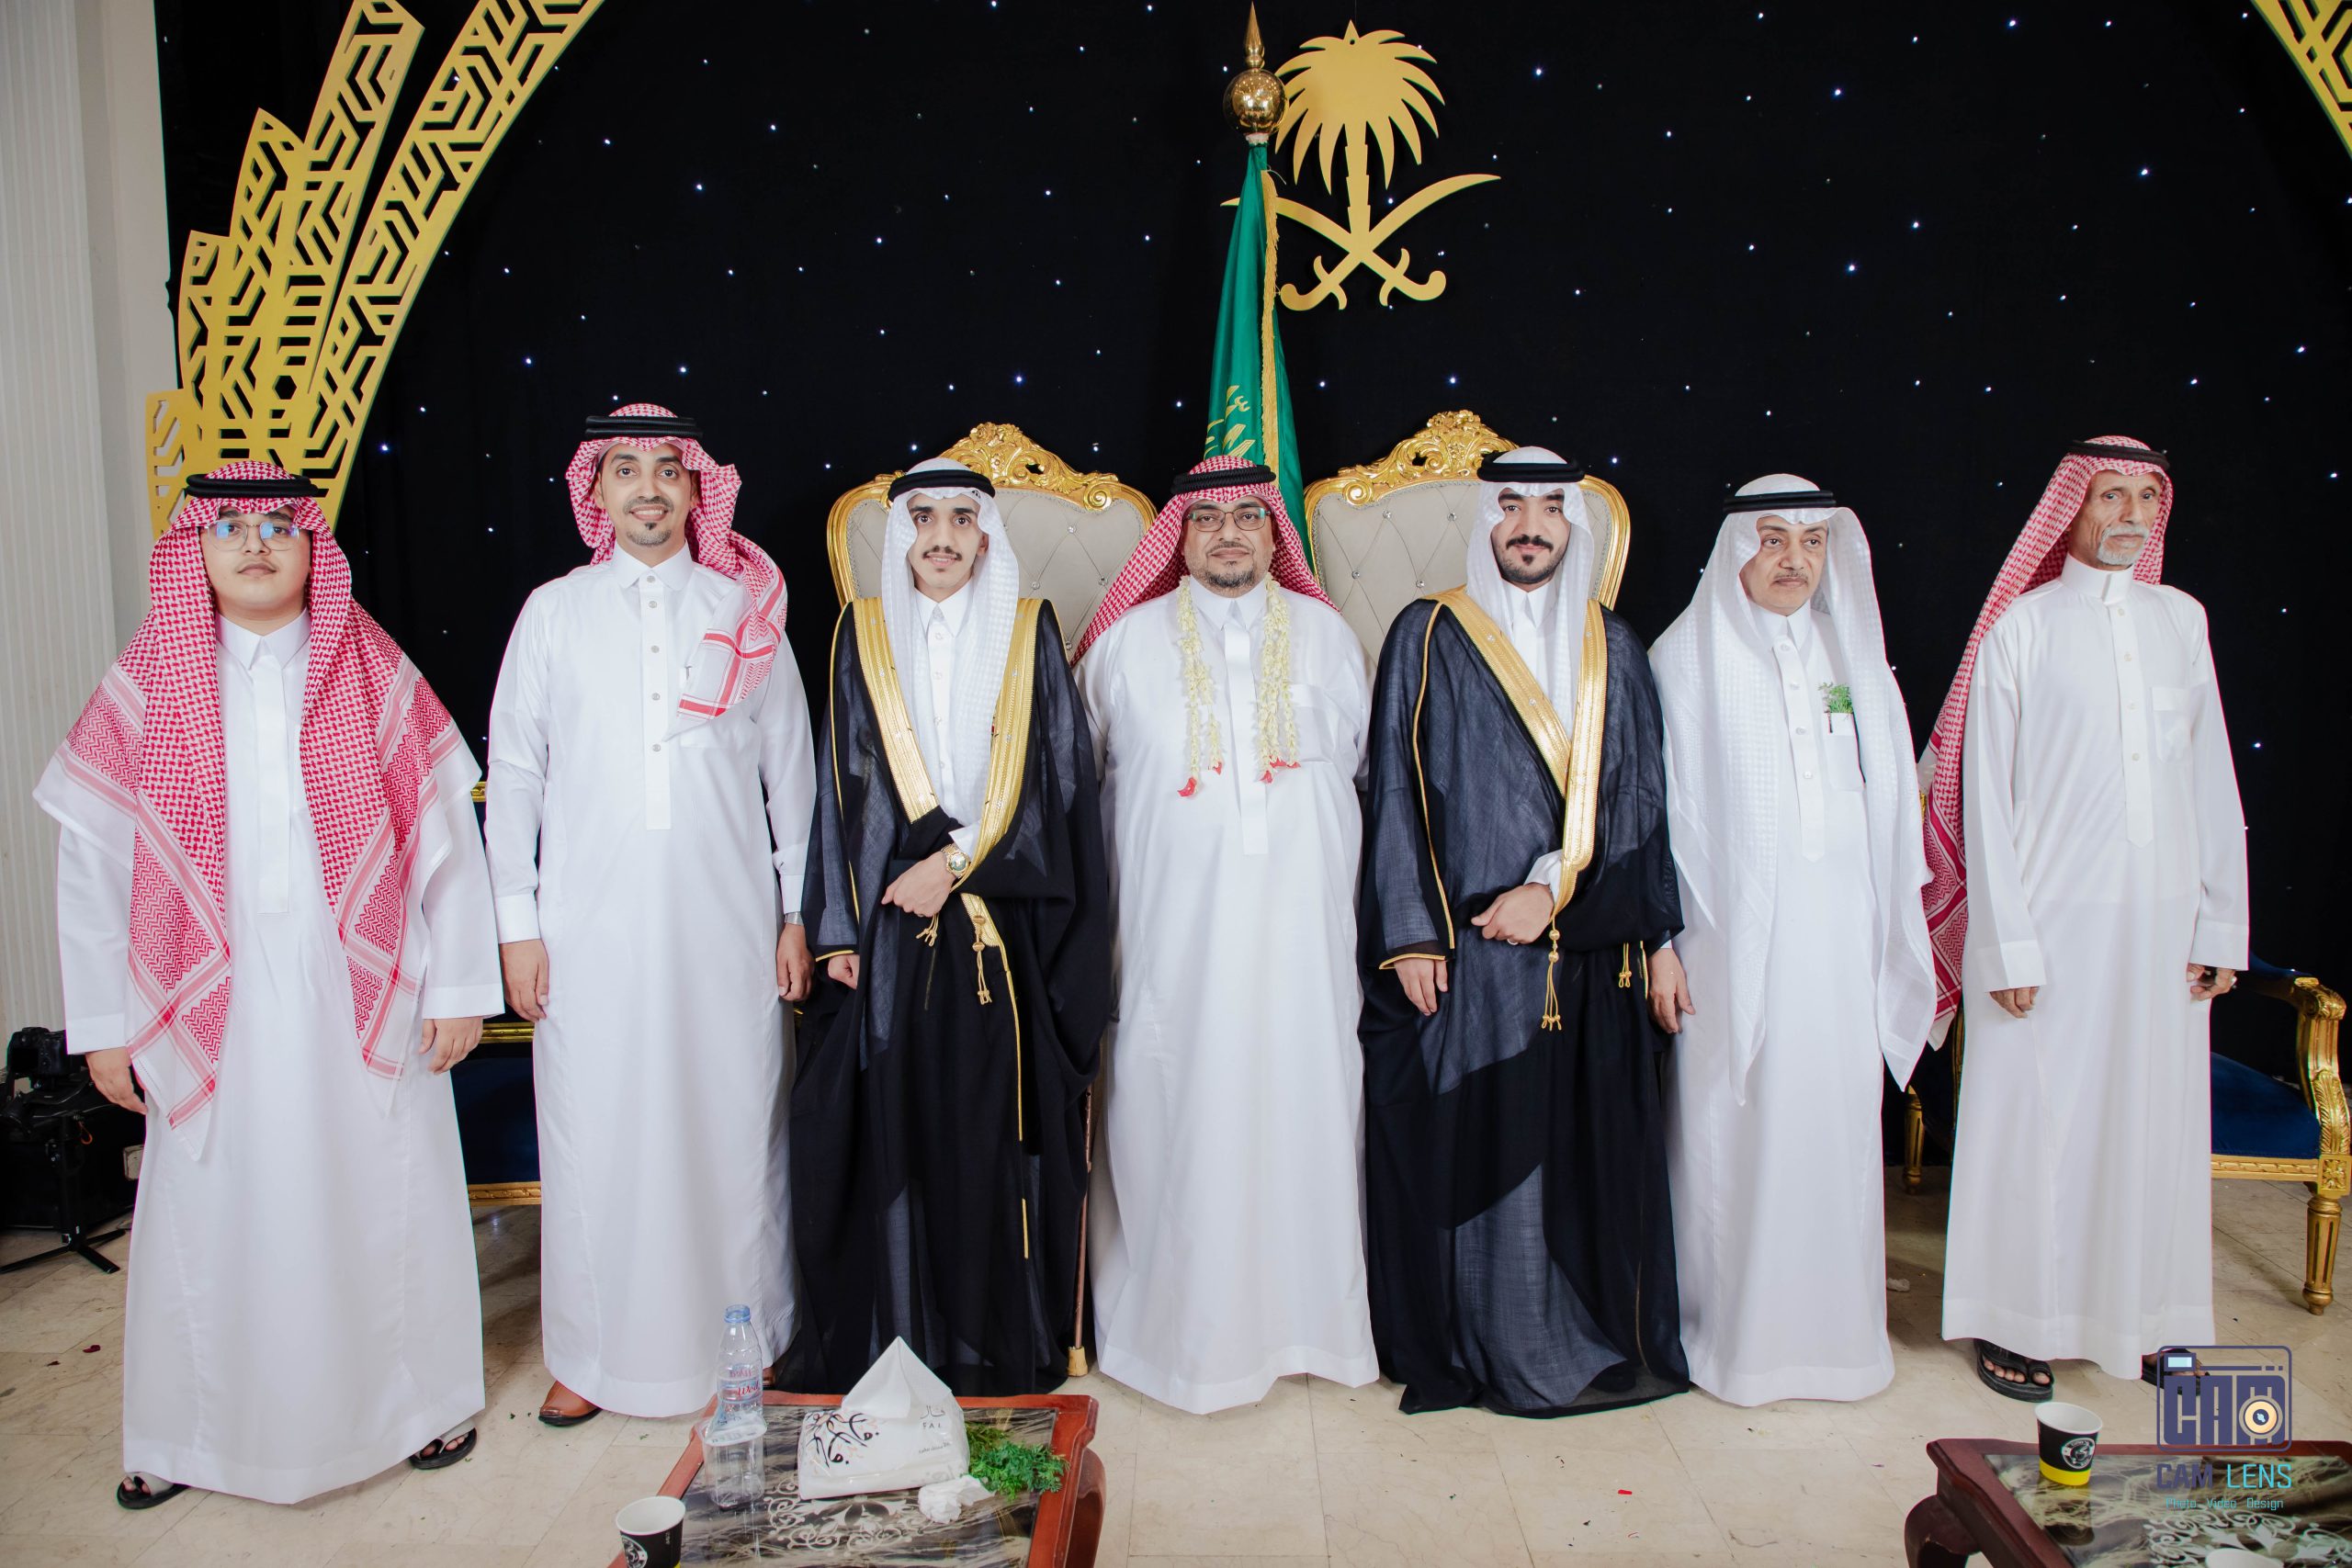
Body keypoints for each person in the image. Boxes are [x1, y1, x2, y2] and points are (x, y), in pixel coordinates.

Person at [38, 461, 498, 1506]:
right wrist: (103, 1025)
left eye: (280, 525)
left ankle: (417, 1409)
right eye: (231, 525)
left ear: (311, 548)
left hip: (363, 987)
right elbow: (93, 867)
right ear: (194, 549)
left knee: (383, 1191)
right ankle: (188, 1439)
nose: (254, 543)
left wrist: (458, 986)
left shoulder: (368, 668)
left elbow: (445, 841)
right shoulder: (148, 681)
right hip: (205, 996)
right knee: (207, 1209)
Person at [486, 404, 812, 1422]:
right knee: (596, 1131)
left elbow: (793, 775)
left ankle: (750, 1342)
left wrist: (796, 913)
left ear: (696, 488)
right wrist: (516, 925)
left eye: (668, 469)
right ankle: (595, 1356)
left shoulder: (744, 608)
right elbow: (516, 772)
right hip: (588, 932)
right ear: (596, 490)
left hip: (728, 925)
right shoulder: (553, 613)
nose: (648, 488)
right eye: (625, 469)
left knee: (735, 1124)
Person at [1357, 446, 1687, 1416]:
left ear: (1570, 526)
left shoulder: (1612, 645)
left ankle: (1578, 1338)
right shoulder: (1426, 630)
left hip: (1586, 949)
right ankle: (1486, 1338)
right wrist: (1412, 932)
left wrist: (1562, 898)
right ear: (1484, 520)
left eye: (1548, 508)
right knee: (1485, 1147)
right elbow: (1393, 788)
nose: (1530, 526)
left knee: (1578, 1150)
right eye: (1510, 506)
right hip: (1468, 951)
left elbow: (1641, 802)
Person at [1921, 436, 2247, 1397]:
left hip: (2162, 931)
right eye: (2110, 495)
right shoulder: (2021, 630)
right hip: (2048, 928)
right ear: (2070, 508)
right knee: (2036, 1123)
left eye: (2145, 497)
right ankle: (2013, 1322)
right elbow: (1986, 800)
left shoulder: (2181, 620)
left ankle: (2144, 1321)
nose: (2130, 514)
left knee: (2151, 1123)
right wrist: (2005, 944)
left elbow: (2211, 775)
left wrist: (2220, 924)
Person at [788, 457, 1110, 1396]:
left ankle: (992, 1338)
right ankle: (908, 1332)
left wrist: (958, 863)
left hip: (1006, 928)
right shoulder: (861, 631)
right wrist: (841, 929)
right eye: (922, 517)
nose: (940, 536)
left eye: (960, 519)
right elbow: (841, 786)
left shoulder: (1026, 628)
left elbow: (1057, 779)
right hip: (890, 928)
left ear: (984, 535)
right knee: (901, 1128)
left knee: (988, 1132)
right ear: (902, 535)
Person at [1072, 455, 1379, 1413]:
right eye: (1207, 520)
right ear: (1180, 537)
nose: (1230, 534)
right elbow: (1077, 786)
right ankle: (1176, 1337)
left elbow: (1365, 771)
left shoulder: (1330, 640)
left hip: (1305, 948)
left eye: (1250, 515)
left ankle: (1312, 1328)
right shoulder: (1123, 647)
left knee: (1305, 1108)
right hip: (1172, 949)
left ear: (1275, 533)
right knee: (1177, 1115)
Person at [1648, 476, 1937, 1405]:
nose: (1793, 561)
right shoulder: (1684, 656)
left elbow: (1883, 801)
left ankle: (1837, 1338)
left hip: (1840, 940)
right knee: (1737, 1127)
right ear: (1738, 548)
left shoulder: (1850, 655)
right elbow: (1658, 818)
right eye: (1772, 539)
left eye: (1811, 542)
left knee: (1834, 1126)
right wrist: (1665, 940)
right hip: (1729, 948)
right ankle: (1730, 1340)